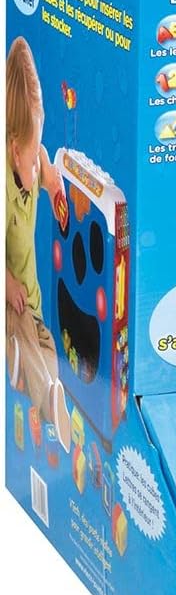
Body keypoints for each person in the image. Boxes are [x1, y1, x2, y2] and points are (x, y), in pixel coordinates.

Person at [6, 36, 70, 450]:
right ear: (13, 151)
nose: (36, 161)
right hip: (9, 302)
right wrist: (6, 281)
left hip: (31, 300)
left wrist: (52, 186)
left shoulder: (33, 157)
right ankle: (42, 394)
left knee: (45, 344)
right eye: (30, 159)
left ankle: (49, 395)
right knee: (25, 336)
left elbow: (44, 161)